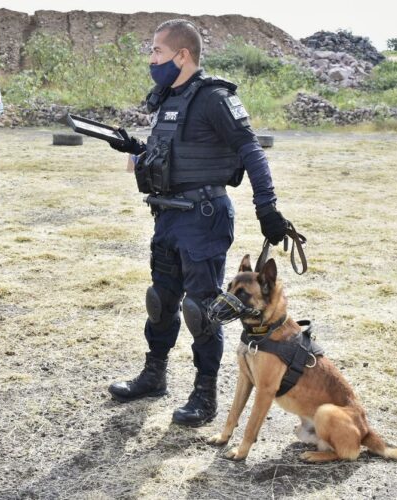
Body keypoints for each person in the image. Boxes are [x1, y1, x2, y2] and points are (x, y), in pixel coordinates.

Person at [107, 20, 291, 427]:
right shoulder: (169, 99)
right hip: (168, 215)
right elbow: (174, 154)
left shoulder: (214, 98)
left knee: (200, 309)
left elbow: (251, 151)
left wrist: (268, 208)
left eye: (156, 52)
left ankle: (204, 395)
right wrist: (135, 148)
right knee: (161, 301)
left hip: (203, 218)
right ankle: (154, 375)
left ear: (182, 55)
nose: (151, 59)